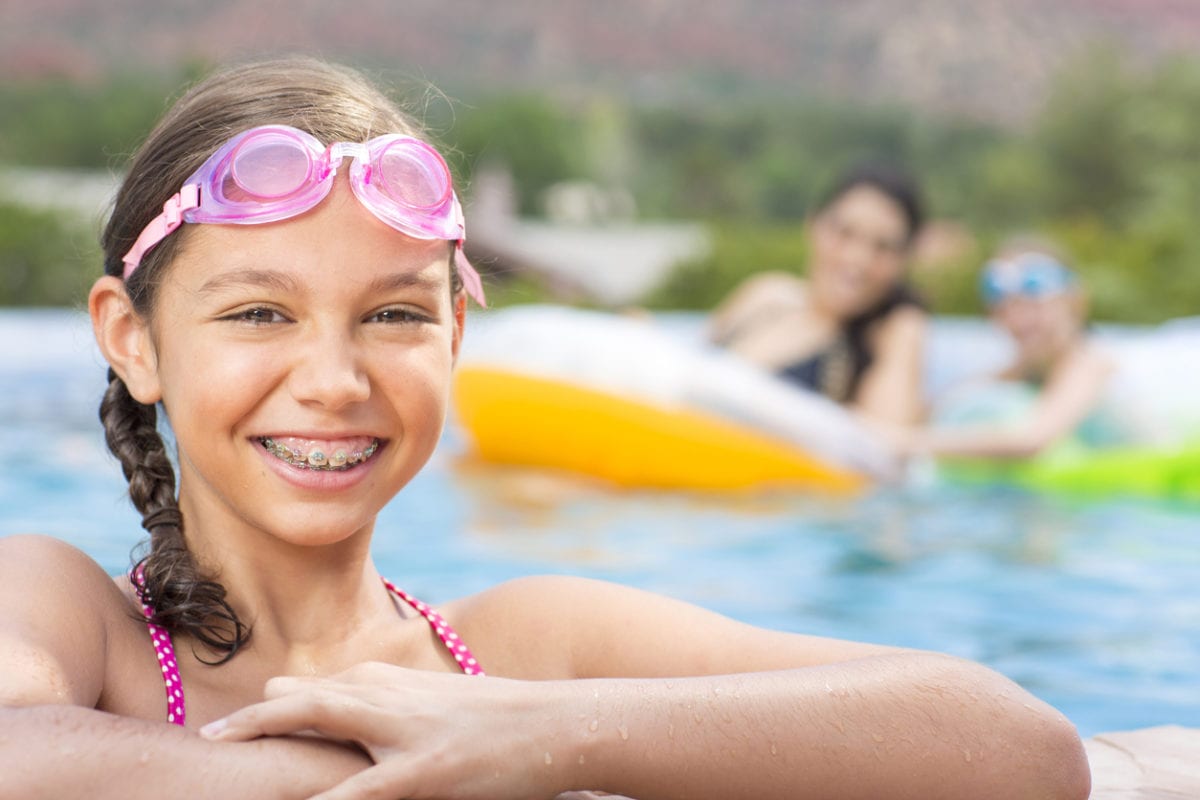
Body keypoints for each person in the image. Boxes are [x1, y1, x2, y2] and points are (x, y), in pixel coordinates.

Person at [0, 58, 1090, 800]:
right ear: (131, 337)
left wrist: (544, 732)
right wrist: (385, 765)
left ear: (457, 335)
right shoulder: (72, 617)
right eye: (258, 312)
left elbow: (1017, 744)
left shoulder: (525, 651)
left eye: (394, 314)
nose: (334, 379)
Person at [707, 162, 929, 426]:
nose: (857, 258)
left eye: (883, 247)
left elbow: (888, 445)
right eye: (845, 232)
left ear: (904, 260)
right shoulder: (766, 294)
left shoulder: (889, 335)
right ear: (814, 223)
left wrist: (907, 327)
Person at [896, 243, 1121, 460]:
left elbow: (1031, 442)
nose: (1020, 319)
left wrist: (906, 442)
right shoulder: (1026, 370)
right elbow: (946, 403)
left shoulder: (1090, 363)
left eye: (1034, 304)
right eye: (1005, 308)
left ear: (1075, 302)